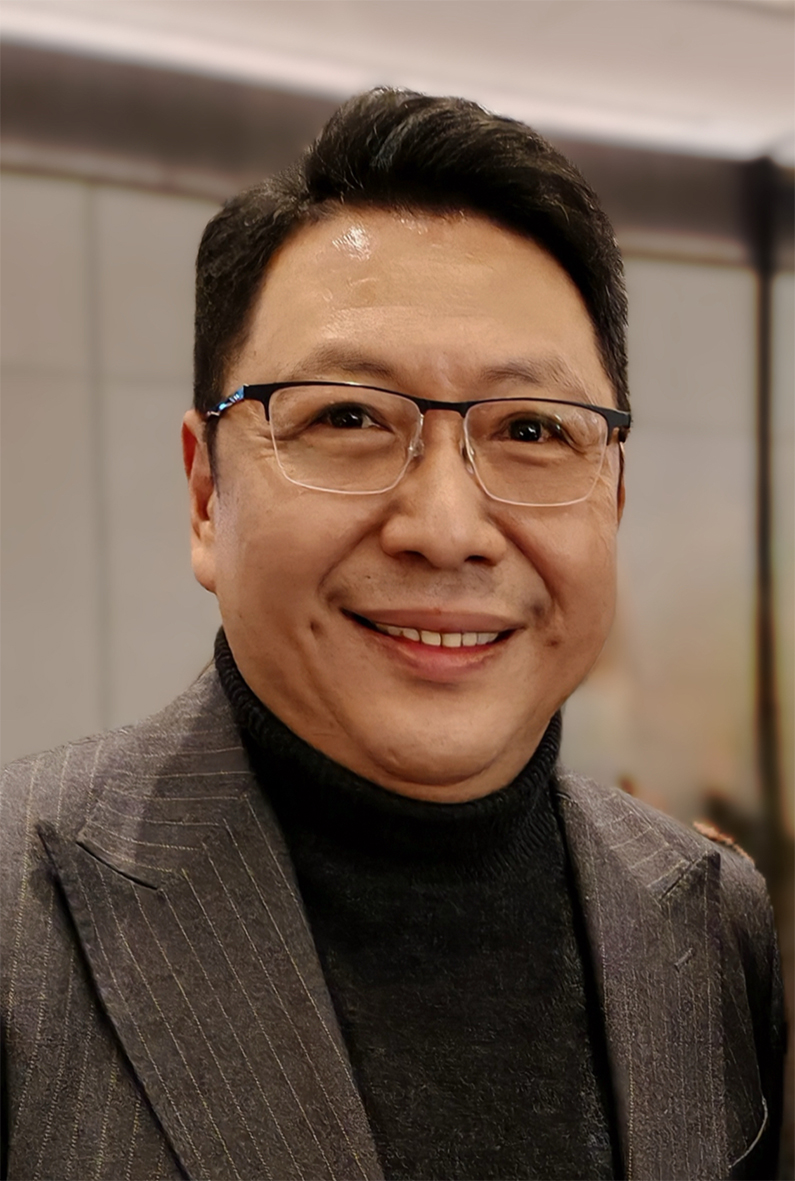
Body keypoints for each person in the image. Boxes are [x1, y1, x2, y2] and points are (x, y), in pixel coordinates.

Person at [1, 88, 784, 1181]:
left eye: (531, 428)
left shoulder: (716, 923)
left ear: (612, 495)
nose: (446, 528)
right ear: (205, 495)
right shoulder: (18, 908)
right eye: (349, 416)